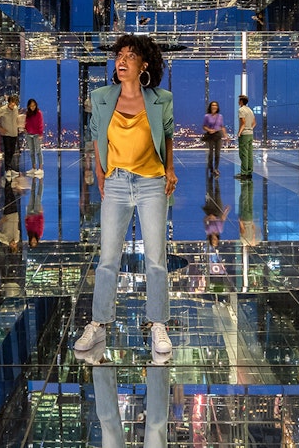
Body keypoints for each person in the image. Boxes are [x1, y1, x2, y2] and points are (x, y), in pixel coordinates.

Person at [73, 34, 177, 358]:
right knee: (107, 259)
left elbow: (169, 135)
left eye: (130, 56)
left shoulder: (161, 99)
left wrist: (170, 169)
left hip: (151, 184)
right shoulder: (103, 97)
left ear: (143, 64)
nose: (121, 61)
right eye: (119, 55)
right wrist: (100, 172)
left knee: (156, 259)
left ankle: (158, 323)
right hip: (116, 184)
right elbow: (94, 134)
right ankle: (98, 324)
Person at [0, 95, 21, 177]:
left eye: (15, 103)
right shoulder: (3, 109)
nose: (13, 105)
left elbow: (16, 119)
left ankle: (10, 168)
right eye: (12, 103)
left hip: (14, 133)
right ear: (9, 102)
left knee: (12, 151)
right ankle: (7, 169)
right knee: (7, 151)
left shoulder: (16, 108)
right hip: (6, 133)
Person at [202, 101, 226, 177]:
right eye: (213, 105)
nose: (214, 106)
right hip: (210, 136)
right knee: (211, 153)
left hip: (218, 135)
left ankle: (216, 168)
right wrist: (209, 130)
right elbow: (204, 126)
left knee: (217, 153)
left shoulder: (220, 116)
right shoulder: (207, 116)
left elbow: (222, 126)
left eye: (215, 105)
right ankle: (211, 167)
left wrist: (225, 135)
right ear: (210, 106)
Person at [236, 95, 256, 179]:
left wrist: (239, 132)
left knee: (243, 153)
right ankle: (249, 172)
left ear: (241, 101)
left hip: (244, 134)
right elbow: (254, 122)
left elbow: (243, 122)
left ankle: (243, 173)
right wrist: (250, 128)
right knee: (250, 154)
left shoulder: (241, 110)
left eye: (239, 100)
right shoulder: (250, 110)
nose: (238, 102)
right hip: (251, 134)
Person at [24, 98, 44, 176]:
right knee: (31, 152)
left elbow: (40, 123)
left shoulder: (39, 113)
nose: (33, 107)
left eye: (34, 105)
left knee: (38, 151)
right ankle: (33, 168)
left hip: (36, 135)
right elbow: (26, 122)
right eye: (31, 106)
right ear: (28, 106)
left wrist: (40, 134)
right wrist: (25, 129)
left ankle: (41, 168)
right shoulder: (27, 113)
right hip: (29, 134)